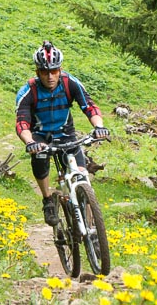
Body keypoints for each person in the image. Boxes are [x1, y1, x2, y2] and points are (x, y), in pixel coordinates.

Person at [15, 40, 110, 226]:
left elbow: (89, 107)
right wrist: (29, 142)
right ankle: (48, 200)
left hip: (66, 133)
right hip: (40, 135)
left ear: (60, 70)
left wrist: (99, 127)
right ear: (38, 72)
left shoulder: (69, 83)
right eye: (44, 72)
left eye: (54, 71)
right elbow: (22, 124)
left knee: (82, 177)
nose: (50, 76)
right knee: (40, 157)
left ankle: (92, 228)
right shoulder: (28, 91)